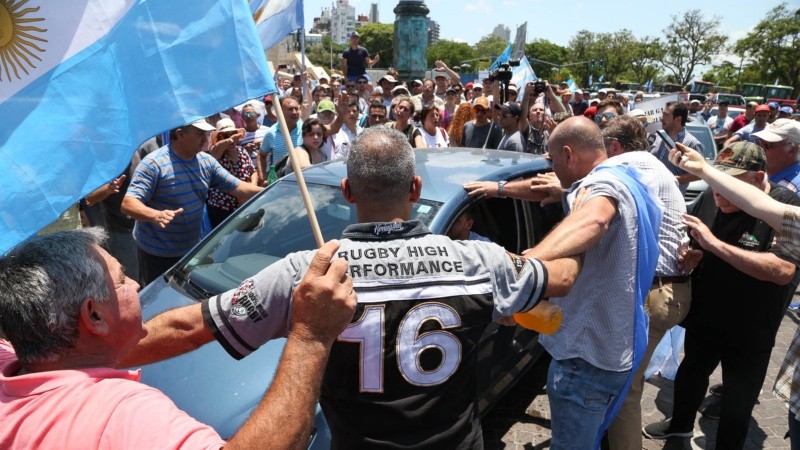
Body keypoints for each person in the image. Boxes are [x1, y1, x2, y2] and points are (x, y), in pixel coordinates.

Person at [116, 126, 582, 449]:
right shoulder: (477, 260)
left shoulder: (309, 272)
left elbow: (185, 326)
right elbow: (561, 278)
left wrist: (92, 358)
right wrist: (574, 215)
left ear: (348, 192)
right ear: (415, 188)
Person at [0, 228, 356, 449]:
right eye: (123, 280)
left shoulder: (13, 360)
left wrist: (241, 303)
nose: (138, 285)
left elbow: (179, 330)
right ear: (94, 315)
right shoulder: (122, 415)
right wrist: (310, 335)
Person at [464, 116, 662, 449]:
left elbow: (595, 218)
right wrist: (498, 189)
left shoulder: (600, 187)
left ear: (569, 155)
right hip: (614, 348)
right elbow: (557, 191)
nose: (552, 169)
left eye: (553, 161)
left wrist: (525, 267)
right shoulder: (627, 178)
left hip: (584, 362)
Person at [642, 141, 800, 449]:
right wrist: (690, 255)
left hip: (751, 330)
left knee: (737, 405)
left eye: (730, 185)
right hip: (705, 317)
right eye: (717, 183)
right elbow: (692, 241)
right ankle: (680, 427)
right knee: (690, 375)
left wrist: (714, 244)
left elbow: (781, 270)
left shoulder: (782, 207)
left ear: (757, 178)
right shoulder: (708, 197)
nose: (720, 194)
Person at [597, 116, 691, 450]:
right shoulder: (656, 167)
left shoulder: (627, 168)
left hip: (656, 294)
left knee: (626, 388)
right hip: (670, 290)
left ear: (615, 147)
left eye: (601, 151)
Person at [121, 120, 262, 285]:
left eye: (206, 133)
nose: (205, 138)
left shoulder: (206, 162)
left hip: (190, 251)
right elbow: (128, 203)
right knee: (158, 300)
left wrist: (280, 188)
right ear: (180, 134)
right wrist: (155, 215)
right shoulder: (154, 164)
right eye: (199, 133)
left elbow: (239, 188)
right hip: (156, 255)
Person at [206, 118, 257, 228]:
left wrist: (251, 189)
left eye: (233, 134)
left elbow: (253, 171)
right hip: (222, 210)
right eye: (226, 135)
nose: (231, 139)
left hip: (243, 206)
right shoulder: (216, 154)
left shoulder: (242, 151)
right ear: (219, 138)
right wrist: (230, 140)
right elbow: (215, 152)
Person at [650, 101, 704, 193]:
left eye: (666, 115)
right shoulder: (657, 135)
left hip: (671, 200)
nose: (661, 119)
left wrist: (673, 179)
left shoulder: (691, 144)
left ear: (678, 119)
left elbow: (699, 174)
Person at [754, 118, 800, 193]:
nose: (761, 148)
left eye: (767, 145)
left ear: (792, 150)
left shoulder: (796, 189)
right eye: (759, 142)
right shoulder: (757, 171)